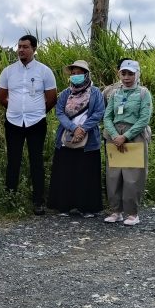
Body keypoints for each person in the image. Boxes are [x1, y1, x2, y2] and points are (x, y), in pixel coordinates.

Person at [0, 34, 58, 215]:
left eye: (25, 47)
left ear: (34, 49)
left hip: (36, 122)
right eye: (19, 46)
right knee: (13, 161)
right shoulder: (8, 71)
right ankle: (10, 199)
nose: (21, 50)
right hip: (13, 122)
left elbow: (52, 98)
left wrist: (37, 112)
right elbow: (1, 97)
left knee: (36, 161)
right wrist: (17, 109)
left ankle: (38, 201)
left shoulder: (44, 71)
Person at [48, 60, 106, 217]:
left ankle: (86, 208)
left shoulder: (95, 93)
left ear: (86, 75)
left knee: (86, 173)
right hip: (66, 137)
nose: (75, 76)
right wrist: (74, 128)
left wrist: (83, 129)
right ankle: (65, 206)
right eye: (73, 73)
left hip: (89, 140)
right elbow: (59, 112)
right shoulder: (66, 93)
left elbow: (99, 113)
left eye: (79, 73)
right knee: (66, 173)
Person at [102, 59, 153, 225]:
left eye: (130, 73)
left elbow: (144, 118)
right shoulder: (115, 93)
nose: (126, 77)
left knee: (133, 176)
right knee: (113, 174)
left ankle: (132, 213)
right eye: (123, 73)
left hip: (134, 136)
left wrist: (126, 136)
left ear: (137, 74)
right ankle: (115, 211)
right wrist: (114, 134)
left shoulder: (144, 93)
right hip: (114, 136)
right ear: (119, 74)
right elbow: (107, 116)